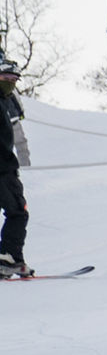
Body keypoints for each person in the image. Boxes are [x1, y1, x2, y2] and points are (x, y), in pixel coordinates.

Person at [0, 60, 33, 278]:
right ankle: (8, 257)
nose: (10, 83)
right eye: (6, 78)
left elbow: (17, 133)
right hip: (2, 168)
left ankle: (12, 257)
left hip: (7, 166)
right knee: (18, 212)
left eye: (14, 80)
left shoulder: (7, 101)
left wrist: (23, 159)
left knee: (18, 210)